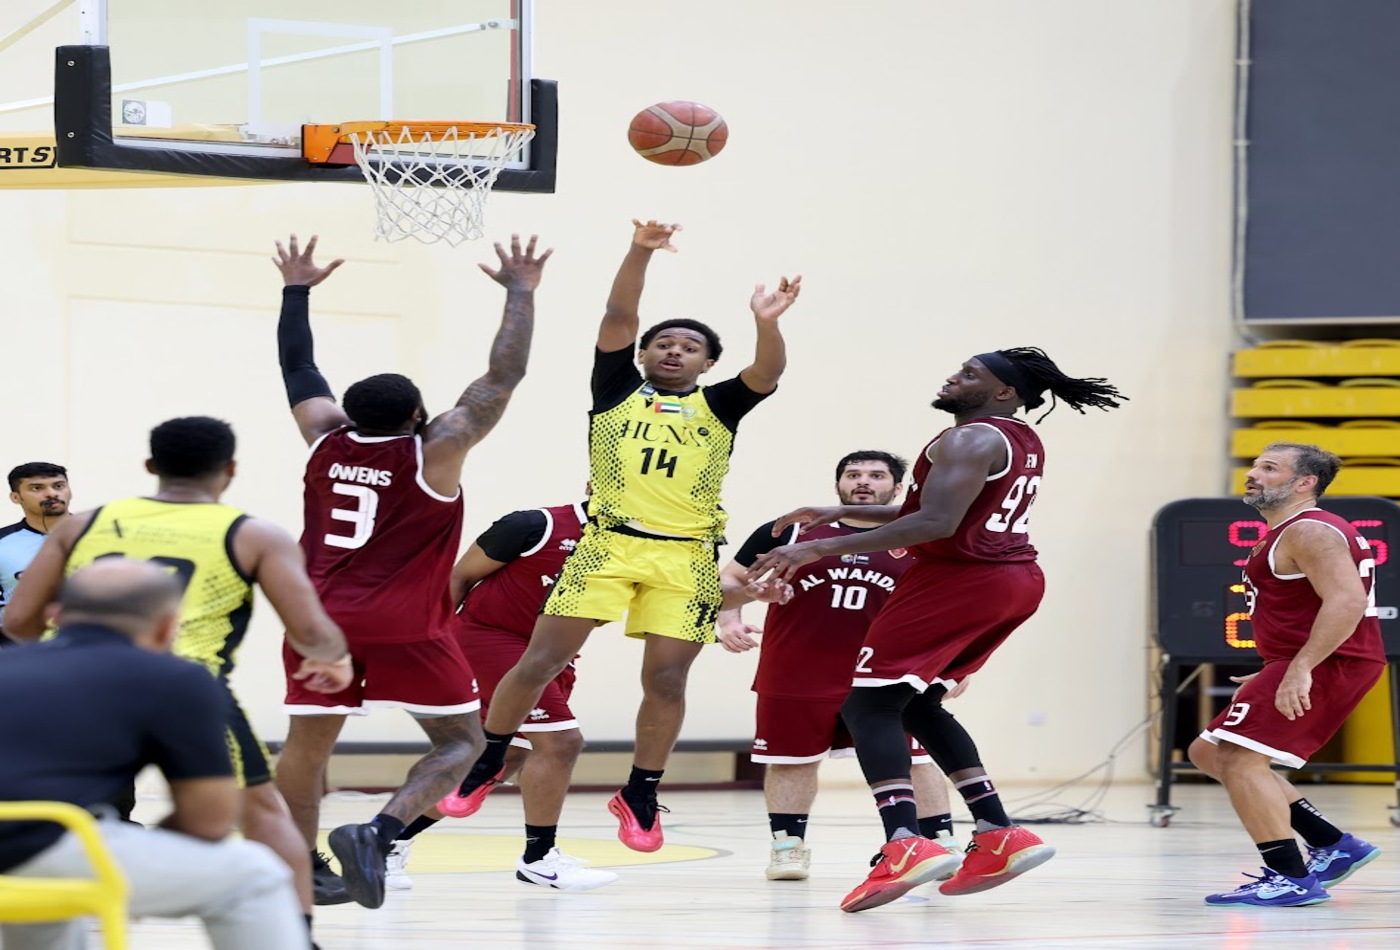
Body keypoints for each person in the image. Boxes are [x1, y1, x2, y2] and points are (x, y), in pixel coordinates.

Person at [443, 219, 801, 854]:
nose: (673, 350)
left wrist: (766, 321)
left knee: (666, 682)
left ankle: (639, 789)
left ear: (708, 363)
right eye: (663, 343)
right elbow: (617, 313)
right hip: (607, 542)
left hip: (688, 557)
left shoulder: (719, 406)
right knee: (542, 659)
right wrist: (641, 251)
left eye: (689, 347)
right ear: (642, 355)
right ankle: (489, 754)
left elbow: (767, 372)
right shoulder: (615, 393)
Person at [748, 347, 1125, 912]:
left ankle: (905, 843)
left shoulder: (966, 439)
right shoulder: (1018, 437)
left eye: (971, 373)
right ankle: (998, 831)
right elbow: (941, 510)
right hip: (1014, 578)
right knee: (917, 704)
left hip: (962, 578)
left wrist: (824, 545)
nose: (954, 376)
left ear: (1003, 391)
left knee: (867, 705)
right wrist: (833, 512)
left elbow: (937, 522)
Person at [269, 232, 551, 910]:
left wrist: (295, 290)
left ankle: (296, 868)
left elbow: (300, 372)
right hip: (404, 622)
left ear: (350, 414)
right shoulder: (436, 453)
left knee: (308, 747)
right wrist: (520, 292)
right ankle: (379, 830)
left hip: (318, 620)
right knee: (461, 743)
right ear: (420, 417)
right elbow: (501, 378)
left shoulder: (324, 438)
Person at [3, 416, 353, 935]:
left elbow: (17, 622)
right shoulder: (252, 532)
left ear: (151, 467)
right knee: (260, 814)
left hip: (57, 678)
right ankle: (297, 931)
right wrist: (335, 657)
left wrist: (51, 659)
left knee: (50, 807)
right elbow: (310, 631)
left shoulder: (86, 523)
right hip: (184, 678)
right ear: (230, 470)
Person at [0, 559, 310, 950]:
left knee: (45, 903)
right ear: (167, 627)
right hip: (41, 845)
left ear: (54, 616)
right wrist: (152, 860)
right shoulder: (174, 678)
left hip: (31, 848)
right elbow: (210, 819)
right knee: (255, 875)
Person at [718, 450, 960, 881]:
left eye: (876, 475)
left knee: (916, 759)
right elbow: (731, 578)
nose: (863, 482)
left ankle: (939, 843)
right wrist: (730, 617)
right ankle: (787, 849)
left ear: (898, 488)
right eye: (853, 474)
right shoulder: (791, 529)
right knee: (791, 760)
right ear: (837, 487)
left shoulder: (925, 534)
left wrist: (958, 666)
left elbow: (957, 605)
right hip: (795, 669)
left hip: (889, 674)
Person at [1186, 443, 1385, 907]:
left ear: (1304, 483)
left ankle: (1289, 876)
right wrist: (1276, 668)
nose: (1253, 473)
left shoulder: (1309, 530)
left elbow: (1347, 602)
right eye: (1255, 465)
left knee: (1239, 758)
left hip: (1330, 661)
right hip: (1306, 660)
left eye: (1269, 468)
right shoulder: (1289, 532)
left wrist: (1299, 668)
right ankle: (1333, 845)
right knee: (1207, 751)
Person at [387, 495, 617, 893]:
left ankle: (384, 839)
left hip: (552, 654)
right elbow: (458, 577)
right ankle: (539, 858)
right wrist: (431, 644)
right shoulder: (536, 525)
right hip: (490, 641)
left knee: (503, 756)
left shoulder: (640, 543)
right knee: (561, 742)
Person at [1, 462, 71, 643]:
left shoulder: (100, 534)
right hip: (19, 652)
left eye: (59, 486)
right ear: (16, 497)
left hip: (89, 648)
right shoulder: (3, 542)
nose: (51, 493)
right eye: (37, 488)